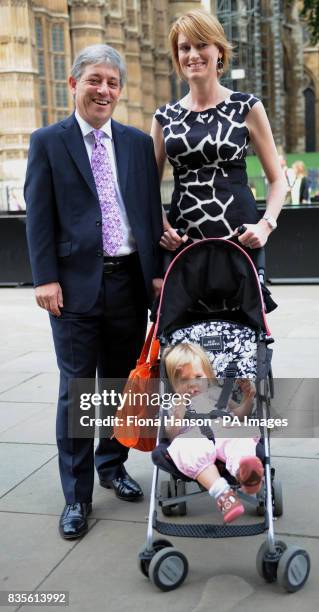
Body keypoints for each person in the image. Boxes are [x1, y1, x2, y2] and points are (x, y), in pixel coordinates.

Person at [24, 44, 163, 539]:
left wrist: (157, 272)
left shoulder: (135, 143)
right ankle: (76, 496)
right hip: (74, 285)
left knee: (121, 385)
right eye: (94, 81)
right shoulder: (48, 141)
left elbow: (147, 212)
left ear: (119, 91)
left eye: (112, 83)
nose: (103, 90)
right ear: (74, 85)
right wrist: (44, 277)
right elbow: (38, 214)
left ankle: (112, 464)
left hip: (129, 282)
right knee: (77, 391)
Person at [151, 9, 287, 253]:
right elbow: (148, 187)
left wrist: (265, 226)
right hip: (183, 245)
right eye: (184, 48)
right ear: (177, 55)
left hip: (240, 239)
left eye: (202, 45)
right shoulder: (164, 117)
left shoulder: (246, 106)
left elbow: (278, 180)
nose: (193, 55)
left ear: (220, 51)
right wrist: (165, 227)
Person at [163, 343, 264, 523]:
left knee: (239, 437)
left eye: (198, 376)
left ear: (207, 375)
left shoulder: (216, 393)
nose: (192, 384)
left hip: (223, 430)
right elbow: (171, 435)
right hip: (193, 437)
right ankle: (223, 494)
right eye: (183, 380)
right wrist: (177, 416)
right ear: (173, 383)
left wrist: (248, 400)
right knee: (183, 447)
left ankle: (246, 474)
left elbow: (239, 415)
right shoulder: (175, 402)